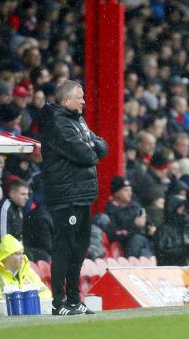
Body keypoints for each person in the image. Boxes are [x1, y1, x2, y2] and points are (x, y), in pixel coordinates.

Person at [39, 80, 108, 316]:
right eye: (80, 97)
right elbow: (85, 154)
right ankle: (59, 303)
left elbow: (102, 146)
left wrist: (91, 146)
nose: (84, 101)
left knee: (79, 249)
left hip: (81, 195)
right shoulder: (58, 123)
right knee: (64, 249)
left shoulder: (77, 120)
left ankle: (73, 299)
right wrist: (91, 146)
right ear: (66, 100)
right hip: (66, 196)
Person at [0, 234, 51, 301]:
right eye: (17, 254)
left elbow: (45, 294)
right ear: (5, 256)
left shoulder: (29, 273)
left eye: (22, 253)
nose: (22, 257)